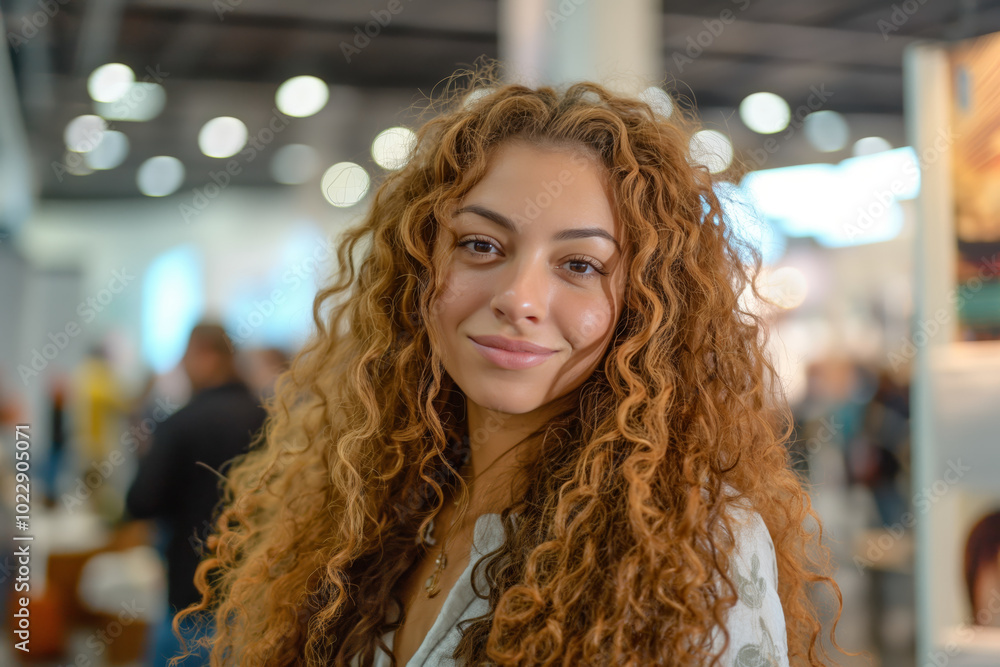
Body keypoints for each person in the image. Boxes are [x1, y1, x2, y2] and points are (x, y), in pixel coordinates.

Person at [174, 65, 852, 666]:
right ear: (418, 267)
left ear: (646, 307)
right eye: (481, 244)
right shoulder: (372, 509)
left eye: (579, 264)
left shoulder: (700, 546)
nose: (519, 299)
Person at [124, 323, 266, 666]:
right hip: (257, 602)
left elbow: (141, 501)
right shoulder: (271, 419)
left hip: (192, 600)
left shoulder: (182, 424)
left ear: (205, 356)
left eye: (186, 356)